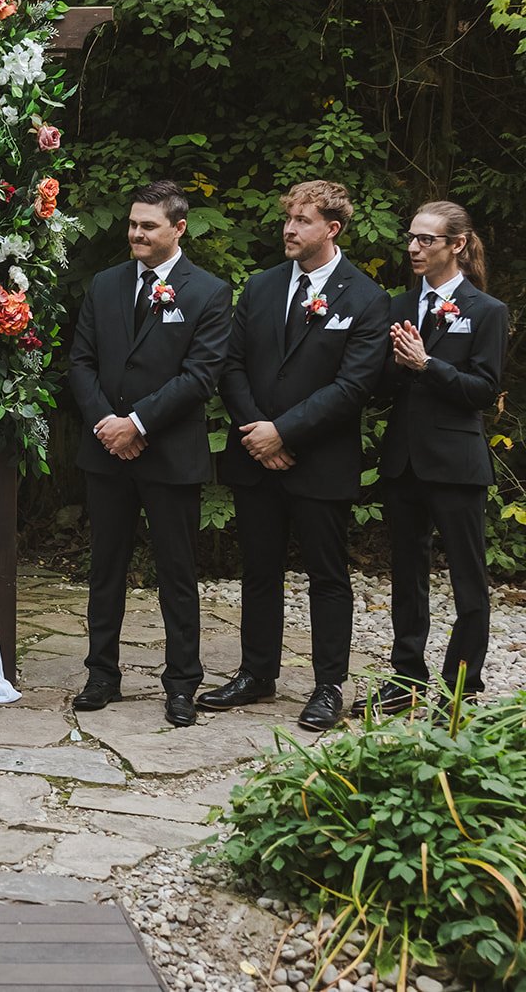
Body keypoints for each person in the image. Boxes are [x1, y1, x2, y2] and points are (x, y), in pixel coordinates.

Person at [200, 181, 390, 731]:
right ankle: (257, 674)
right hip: (254, 454)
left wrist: (283, 433)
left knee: (327, 576)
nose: (289, 229)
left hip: (320, 460)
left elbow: (353, 386)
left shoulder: (366, 297)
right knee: (259, 570)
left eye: (303, 220)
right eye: (288, 218)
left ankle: (328, 685)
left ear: (332, 228)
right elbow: (231, 365)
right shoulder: (261, 287)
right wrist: (256, 433)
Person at [69, 180, 232, 728]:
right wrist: (107, 425)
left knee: (177, 573)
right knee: (105, 568)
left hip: (169, 455)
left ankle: (182, 682)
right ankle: (101, 673)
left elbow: (201, 376)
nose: (135, 234)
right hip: (105, 451)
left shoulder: (208, 292)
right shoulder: (106, 283)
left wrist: (136, 424)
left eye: (148, 226)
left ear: (178, 228)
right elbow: (81, 362)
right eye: (132, 223)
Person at [356, 201, 507, 713]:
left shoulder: (486, 311)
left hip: (457, 462)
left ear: (456, 245)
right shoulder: (398, 304)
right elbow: (379, 385)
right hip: (403, 460)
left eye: (426, 240)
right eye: (411, 238)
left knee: (468, 578)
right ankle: (407, 678)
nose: (413, 248)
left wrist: (427, 364)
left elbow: (483, 389)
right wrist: (398, 367)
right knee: (406, 574)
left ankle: (461, 686)